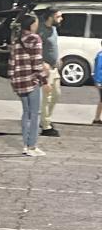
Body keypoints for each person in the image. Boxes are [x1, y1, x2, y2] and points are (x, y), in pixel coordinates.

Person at [9, 12, 49, 157]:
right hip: (31, 80)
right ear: (31, 25)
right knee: (35, 113)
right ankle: (32, 146)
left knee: (26, 113)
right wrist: (44, 80)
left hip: (19, 81)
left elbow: (11, 63)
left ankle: (25, 145)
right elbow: (37, 63)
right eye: (36, 23)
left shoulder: (17, 39)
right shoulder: (35, 39)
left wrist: (13, 80)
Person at [38, 8, 62, 139]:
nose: (61, 19)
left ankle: (46, 119)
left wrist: (57, 58)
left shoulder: (54, 29)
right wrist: (42, 63)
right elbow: (35, 49)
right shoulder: (41, 30)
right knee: (47, 97)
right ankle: (46, 125)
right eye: (58, 16)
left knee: (56, 94)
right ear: (51, 17)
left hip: (54, 67)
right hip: (45, 69)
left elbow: (53, 46)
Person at [94, 41, 102, 125]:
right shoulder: (101, 55)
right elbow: (99, 69)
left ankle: (97, 118)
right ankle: (96, 118)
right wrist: (99, 81)